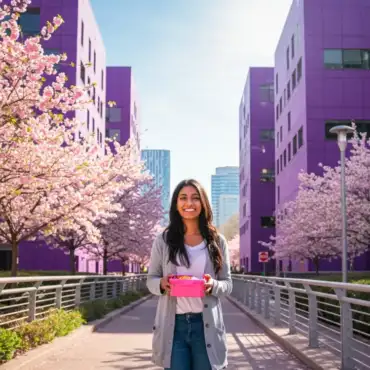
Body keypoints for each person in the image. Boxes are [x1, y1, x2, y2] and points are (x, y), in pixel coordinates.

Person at [147, 179, 232, 370]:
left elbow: (228, 283)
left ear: (203, 204)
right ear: (176, 204)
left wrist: (214, 286)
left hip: (206, 325)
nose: (189, 203)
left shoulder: (217, 241)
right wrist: (161, 284)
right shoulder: (163, 240)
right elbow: (151, 279)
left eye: (195, 198)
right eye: (183, 198)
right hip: (174, 326)